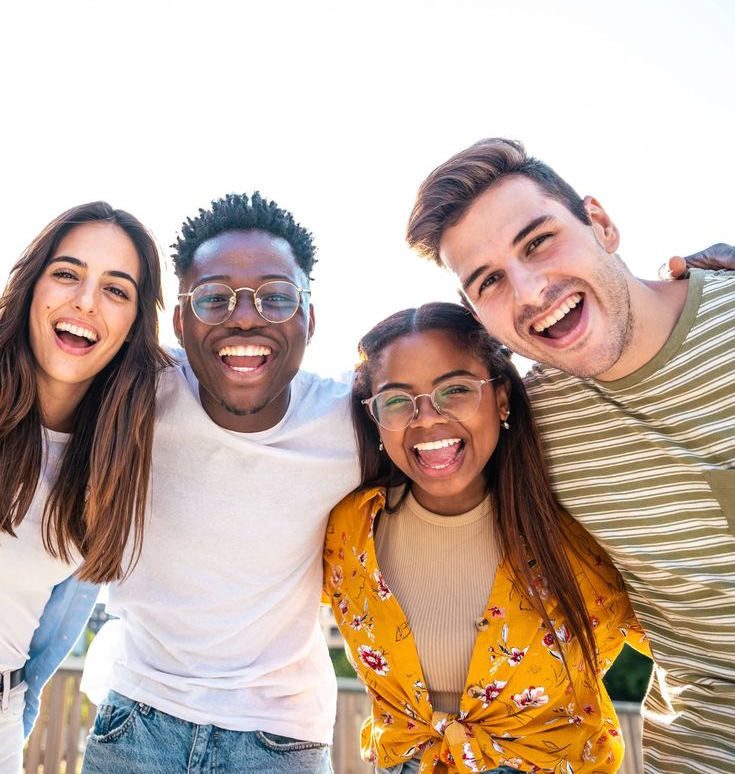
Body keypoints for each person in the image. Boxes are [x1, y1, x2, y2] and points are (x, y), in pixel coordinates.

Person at [405, 138, 735, 774]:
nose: (530, 291)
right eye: (491, 281)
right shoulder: (526, 427)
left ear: (602, 224)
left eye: (539, 242)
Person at [81, 193, 360, 774]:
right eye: (214, 298)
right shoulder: (131, 398)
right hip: (137, 720)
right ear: (179, 320)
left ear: (310, 317)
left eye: (277, 296)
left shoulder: (354, 424)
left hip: (280, 740)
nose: (245, 316)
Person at [324, 302, 649, 774]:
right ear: (374, 418)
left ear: (501, 399)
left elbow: (699, 640)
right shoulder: (348, 530)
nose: (426, 418)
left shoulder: (582, 534)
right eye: (396, 400)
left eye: (454, 390)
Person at [0, 202, 169, 774]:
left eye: (116, 290)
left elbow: (41, 647)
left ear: (132, 325)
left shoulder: (110, 464)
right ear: (32, 286)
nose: (86, 302)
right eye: (67, 274)